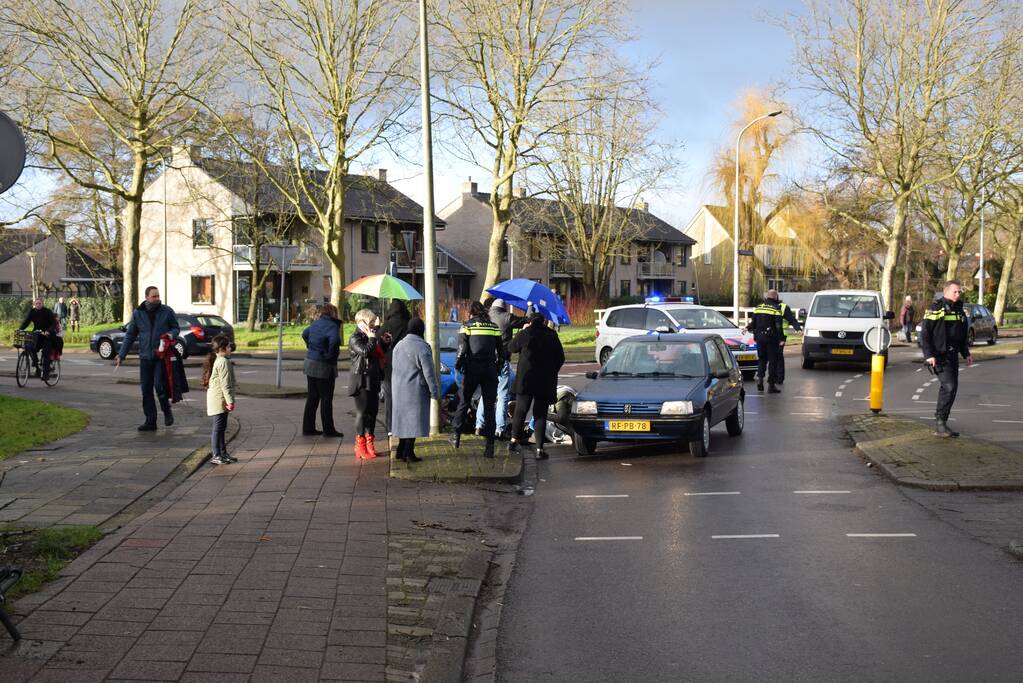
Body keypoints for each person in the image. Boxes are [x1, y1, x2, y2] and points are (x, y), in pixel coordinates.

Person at [115, 286, 180, 431]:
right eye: (154, 296)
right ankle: (150, 421)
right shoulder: (138, 313)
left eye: (158, 296)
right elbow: (130, 335)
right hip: (145, 357)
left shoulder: (166, 311)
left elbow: (176, 328)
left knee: (159, 385)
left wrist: (170, 335)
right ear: (147, 297)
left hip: (160, 356)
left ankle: (166, 410)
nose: (157, 299)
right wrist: (122, 354)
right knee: (146, 390)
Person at [449, 300, 505, 458]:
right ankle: (490, 446)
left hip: (472, 369)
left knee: (464, 401)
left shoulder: (467, 326)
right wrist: (498, 368)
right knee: (489, 407)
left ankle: (455, 437)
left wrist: (458, 366)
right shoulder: (494, 327)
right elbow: (502, 353)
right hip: (489, 370)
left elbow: (462, 349)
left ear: (471, 312)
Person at [507, 313, 565, 459]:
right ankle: (539, 449)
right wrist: (552, 371)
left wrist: (522, 331)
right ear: (544, 321)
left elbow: (511, 347)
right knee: (540, 415)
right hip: (545, 380)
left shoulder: (526, 333)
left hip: (526, 379)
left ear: (530, 321)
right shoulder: (552, 335)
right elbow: (561, 358)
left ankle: (513, 441)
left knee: (521, 409)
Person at [919, 280, 973, 438]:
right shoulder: (936, 308)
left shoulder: (959, 310)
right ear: (946, 292)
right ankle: (940, 424)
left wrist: (966, 353)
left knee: (952, 387)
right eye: (955, 291)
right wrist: (929, 355)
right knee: (949, 386)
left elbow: (961, 336)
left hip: (953, 355)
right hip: (939, 356)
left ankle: (942, 422)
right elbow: (925, 334)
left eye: (959, 292)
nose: (958, 294)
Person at [390, 317, 440, 463]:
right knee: (413, 422)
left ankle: (400, 449)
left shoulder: (398, 345)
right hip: (415, 390)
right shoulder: (422, 347)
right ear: (421, 330)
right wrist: (435, 392)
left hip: (399, 388)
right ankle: (408, 452)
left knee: (403, 420)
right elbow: (429, 373)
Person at [475, 298, 526, 438]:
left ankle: (479, 426)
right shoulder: (507, 317)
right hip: (501, 361)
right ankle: (500, 429)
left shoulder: (485, 317)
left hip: (486, 361)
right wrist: (530, 307)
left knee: (485, 394)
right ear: (504, 308)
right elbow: (525, 321)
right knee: (502, 395)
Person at [301, 303, 344, 438]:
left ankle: (308, 428)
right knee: (326, 398)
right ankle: (328, 429)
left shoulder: (316, 323)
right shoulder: (332, 326)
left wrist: (310, 345)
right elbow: (335, 341)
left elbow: (304, 333)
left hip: (310, 362)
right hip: (323, 365)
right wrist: (330, 355)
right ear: (333, 313)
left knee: (312, 397)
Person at [349, 308, 385, 459]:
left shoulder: (370, 335)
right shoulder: (355, 337)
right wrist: (372, 338)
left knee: (373, 412)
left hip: (373, 378)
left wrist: (384, 343)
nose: (373, 325)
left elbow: (376, 355)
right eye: (370, 322)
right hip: (361, 379)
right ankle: (360, 445)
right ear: (362, 322)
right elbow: (364, 352)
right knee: (362, 412)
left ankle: (370, 442)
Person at [751, 289, 798, 393]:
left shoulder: (758, 308)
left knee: (762, 359)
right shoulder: (776, 308)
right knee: (773, 361)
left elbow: (753, 323)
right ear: (776, 297)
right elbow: (778, 326)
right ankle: (771, 385)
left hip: (760, 338)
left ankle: (760, 381)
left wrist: (755, 335)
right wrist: (781, 339)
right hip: (772, 339)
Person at [202, 335, 237, 465]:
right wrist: (230, 401)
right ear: (222, 348)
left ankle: (223, 453)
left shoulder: (221, 359)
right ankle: (216, 454)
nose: (230, 348)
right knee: (218, 428)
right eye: (228, 346)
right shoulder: (223, 361)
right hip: (219, 399)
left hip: (218, 398)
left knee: (221, 428)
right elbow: (225, 384)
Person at [380, 300, 412, 436]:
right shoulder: (408, 324)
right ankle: (404, 425)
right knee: (404, 397)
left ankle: (390, 428)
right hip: (404, 363)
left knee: (389, 398)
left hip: (388, 364)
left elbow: (378, 342)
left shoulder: (386, 325)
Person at [18, 299, 57, 380]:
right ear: (34, 304)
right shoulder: (32, 312)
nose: (38, 305)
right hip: (37, 334)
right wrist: (20, 329)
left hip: (47, 335)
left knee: (46, 352)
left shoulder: (47, 311)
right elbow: (27, 321)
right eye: (36, 304)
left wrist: (48, 331)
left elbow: (54, 324)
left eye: (39, 303)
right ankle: (36, 364)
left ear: (42, 304)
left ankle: (46, 374)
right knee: (29, 346)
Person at [773, 294, 802, 385]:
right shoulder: (766, 307)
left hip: (781, 336)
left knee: (778, 355)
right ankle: (773, 377)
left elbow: (791, 319)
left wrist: (798, 328)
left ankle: (779, 378)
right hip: (769, 335)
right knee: (772, 356)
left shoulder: (783, 307)